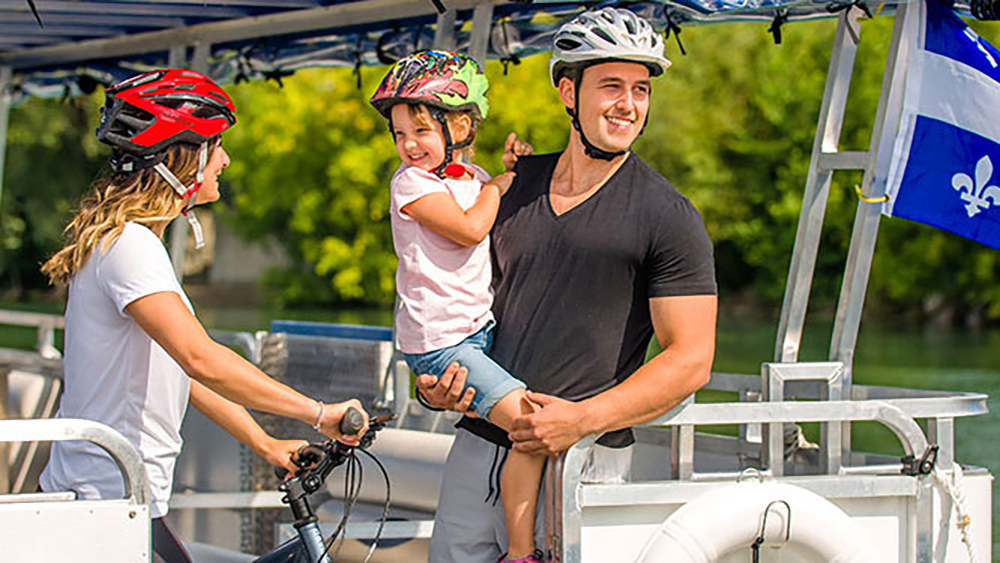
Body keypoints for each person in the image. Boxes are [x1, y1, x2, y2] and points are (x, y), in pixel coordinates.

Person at [415, 8, 718, 562]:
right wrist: (434, 385)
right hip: (477, 450)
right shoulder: (509, 188)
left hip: (583, 461)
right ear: (568, 92)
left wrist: (581, 418)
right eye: (611, 86)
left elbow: (692, 359)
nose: (628, 104)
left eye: (641, 89)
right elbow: (451, 302)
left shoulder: (667, 215)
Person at [38, 68, 369, 563]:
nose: (226, 160)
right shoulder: (130, 246)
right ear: (182, 156)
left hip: (112, 501)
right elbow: (201, 358)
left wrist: (265, 443)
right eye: (215, 147)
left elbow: (179, 372)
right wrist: (319, 413)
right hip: (105, 508)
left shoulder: (120, 241)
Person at [369, 50, 545, 563]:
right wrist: (498, 185)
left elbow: (500, 205)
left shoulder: (475, 177)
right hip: (441, 344)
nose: (408, 146)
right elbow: (471, 229)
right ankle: (520, 553)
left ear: (462, 124)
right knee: (530, 425)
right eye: (399, 134)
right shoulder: (412, 184)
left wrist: (515, 171)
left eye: (419, 131)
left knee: (516, 427)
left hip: (476, 331)